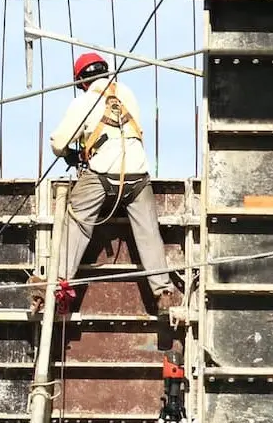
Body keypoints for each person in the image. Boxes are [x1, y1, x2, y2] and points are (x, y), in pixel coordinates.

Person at [38, 52, 182, 315]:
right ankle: (163, 292)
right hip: (138, 175)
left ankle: (58, 284)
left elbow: (58, 142)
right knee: (149, 232)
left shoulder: (84, 102)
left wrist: (72, 155)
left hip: (103, 175)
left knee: (77, 221)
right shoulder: (128, 94)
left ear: (81, 81)